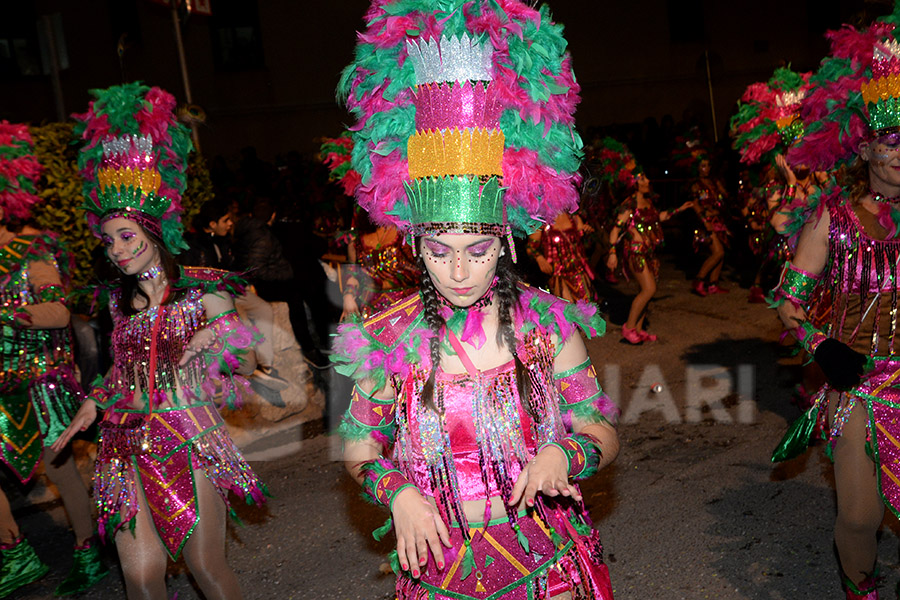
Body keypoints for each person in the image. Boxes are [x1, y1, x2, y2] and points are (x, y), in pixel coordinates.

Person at [334, 3, 619, 599]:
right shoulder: (388, 337)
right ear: (415, 242)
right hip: (439, 568)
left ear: (507, 238)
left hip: (546, 560)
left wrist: (567, 455)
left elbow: (600, 428)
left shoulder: (548, 324)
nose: (459, 271)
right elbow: (359, 446)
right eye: (439, 251)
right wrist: (399, 494)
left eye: (478, 248)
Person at [52, 83, 267, 600]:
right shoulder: (116, 302)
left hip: (188, 436)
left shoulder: (203, 288)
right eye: (108, 241)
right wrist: (93, 402)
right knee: (141, 578)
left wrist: (219, 336)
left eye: (127, 236)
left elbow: (247, 358)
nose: (117, 251)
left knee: (206, 567)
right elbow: (121, 372)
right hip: (122, 446)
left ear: (153, 230)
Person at [771, 15, 900, 599]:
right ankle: (861, 590)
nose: (899, 155)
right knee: (857, 518)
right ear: (868, 144)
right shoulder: (836, 218)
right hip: (864, 385)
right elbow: (789, 301)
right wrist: (821, 347)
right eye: (890, 142)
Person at [0, 121, 108, 596]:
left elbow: (60, 311)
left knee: (59, 467)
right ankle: (15, 556)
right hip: (2, 389)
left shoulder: (31, 255)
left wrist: (10, 315)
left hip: (42, 384)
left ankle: (88, 548)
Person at [182, 199, 289, 392]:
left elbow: (233, 269)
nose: (230, 223)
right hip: (211, 299)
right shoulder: (194, 245)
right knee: (240, 318)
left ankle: (266, 365)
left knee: (264, 309)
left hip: (232, 292)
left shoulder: (226, 241)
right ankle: (244, 365)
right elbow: (190, 279)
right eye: (225, 220)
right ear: (212, 224)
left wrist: (244, 285)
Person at [607, 172, 691, 343]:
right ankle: (629, 327)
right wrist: (612, 252)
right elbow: (616, 229)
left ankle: (638, 329)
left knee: (645, 291)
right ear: (634, 183)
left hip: (649, 252)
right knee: (649, 289)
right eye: (643, 179)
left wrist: (679, 209)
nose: (648, 180)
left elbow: (658, 218)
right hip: (635, 253)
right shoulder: (629, 204)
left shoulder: (648, 201)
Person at [527, 212, 596, 302]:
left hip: (578, 272)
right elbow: (531, 247)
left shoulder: (574, 218)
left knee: (587, 308)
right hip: (558, 276)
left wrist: (587, 233)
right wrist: (539, 258)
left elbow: (585, 245)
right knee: (568, 310)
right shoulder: (541, 221)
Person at [689, 155, 730, 295]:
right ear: (698, 168)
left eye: (708, 165)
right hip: (706, 222)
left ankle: (713, 284)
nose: (706, 169)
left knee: (721, 253)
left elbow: (725, 197)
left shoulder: (714, 182)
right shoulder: (695, 185)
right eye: (703, 166)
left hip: (718, 220)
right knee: (718, 252)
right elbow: (695, 205)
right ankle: (699, 280)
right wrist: (705, 222)